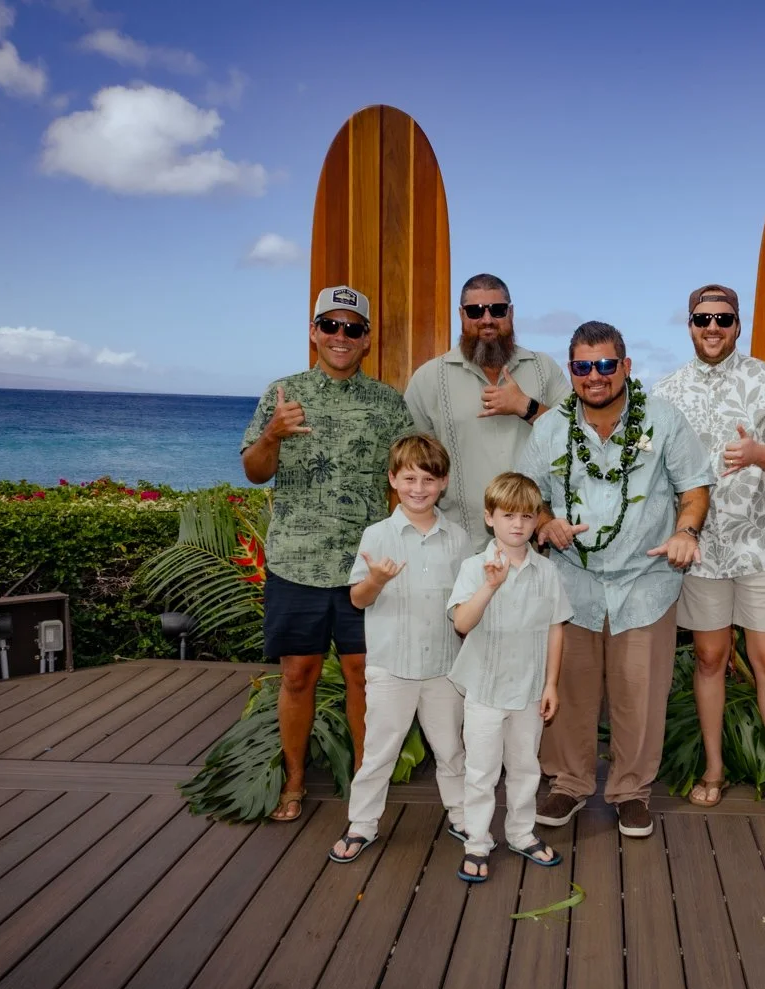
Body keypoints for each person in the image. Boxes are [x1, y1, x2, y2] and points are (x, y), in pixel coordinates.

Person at [517, 320, 717, 839]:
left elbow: (694, 487)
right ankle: (568, 783)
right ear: (572, 371)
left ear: (626, 367)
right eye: (583, 367)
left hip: (645, 581)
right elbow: (529, 495)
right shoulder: (550, 429)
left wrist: (686, 531)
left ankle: (631, 791)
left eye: (606, 365)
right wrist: (545, 522)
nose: (595, 376)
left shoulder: (664, 419)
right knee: (570, 690)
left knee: (640, 694)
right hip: (572, 581)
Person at [240, 285, 413, 822]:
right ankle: (294, 782)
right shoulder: (282, 394)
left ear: (367, 340)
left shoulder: (388, 403)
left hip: (364, 567)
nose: (341, 336)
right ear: (314, 332)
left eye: (353, 328)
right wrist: (271, 434)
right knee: (298, 676)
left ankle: (365, 786)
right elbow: (254, 470)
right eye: (330, 326)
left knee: (365, 677)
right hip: (296, 562)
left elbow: (411, 478)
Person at [653, 284, 765, 825]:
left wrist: (759, 454)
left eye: (723, 318)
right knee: (709, 659)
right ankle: (714, 768)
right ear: (690, 325)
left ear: (738, 325)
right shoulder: (665, 391)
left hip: (763, 544)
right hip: (701, 552)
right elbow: (653, 470)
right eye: (702, 318)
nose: (712, 327)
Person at [330, 434, 473, 861]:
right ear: (393, 479)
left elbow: (464, 605)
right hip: (391, 667)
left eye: (429, 479)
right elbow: (357, 599)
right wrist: (376, 579)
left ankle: (462, 814)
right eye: (409, 478)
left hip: (444, 668)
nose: (418, 488)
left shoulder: (459, 538)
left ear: (444, 482)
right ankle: (362, 824)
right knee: (379, 751)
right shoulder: (376, 535)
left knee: (451, 748)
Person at [447, 472, 572, 883]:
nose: (517, 525)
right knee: (481, 771)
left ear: (537, 520)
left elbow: (556, 628)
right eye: (508, 515)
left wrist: (551, 683)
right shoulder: (473, 568)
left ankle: (520, 832)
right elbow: (462, 623)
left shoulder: (547, 573)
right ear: (489, 517)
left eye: (526, 516)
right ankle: (477, 842)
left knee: (525, 766)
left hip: (530, 690)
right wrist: (489, 586)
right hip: (484, 689)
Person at [405, 273, 570, 549]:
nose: (487, 319)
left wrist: (526, 407)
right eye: (475, 311)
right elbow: (410, 463)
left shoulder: (544, 369)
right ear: (461, 315)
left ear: (511, 312)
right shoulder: (429, 378)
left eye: (497, 309)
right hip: (456, 547)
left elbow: (577, 437)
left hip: (537, 543)